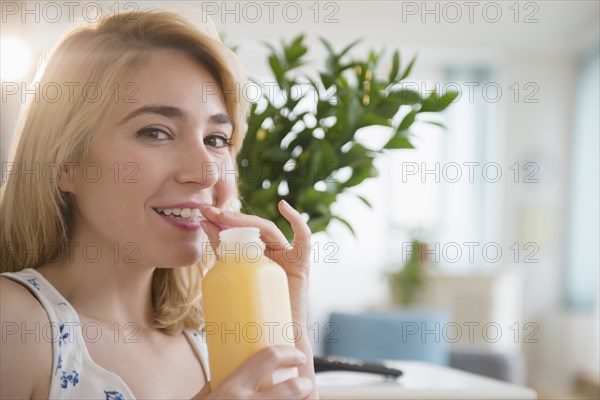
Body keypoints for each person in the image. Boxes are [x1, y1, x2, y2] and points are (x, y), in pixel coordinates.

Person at [0, 9, 317, 400]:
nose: (206, 172)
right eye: (156, 132)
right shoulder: (15, 325)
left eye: (217, 139)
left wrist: (286, 318)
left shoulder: (207, 339)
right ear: (65, 163)